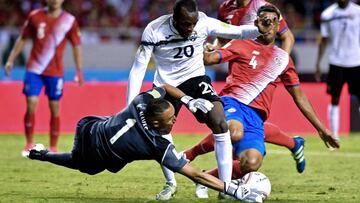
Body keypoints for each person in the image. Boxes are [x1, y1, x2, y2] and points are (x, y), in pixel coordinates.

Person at [126, 0, 272, 200]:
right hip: (166, 85)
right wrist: (130, 106)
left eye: (192, 24)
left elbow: (236, 32)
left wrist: (257, 30)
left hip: (195, 80)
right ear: (174, 19)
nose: (190, 28)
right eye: (185, 24)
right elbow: (138, 69)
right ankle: (171, 183)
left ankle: (225, 186)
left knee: (220, 121)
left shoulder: (203, 22)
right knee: (159, 131)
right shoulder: (154, 30)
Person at [191, 5, 340, 198]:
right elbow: (210, 59)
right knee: (234, 132)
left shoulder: (282, 59)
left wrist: (321, 129)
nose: (268, 25)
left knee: (252, 163)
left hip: (256, 117)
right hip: (232, 102)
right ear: (256, 23)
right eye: (264, 21)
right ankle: (225, 187)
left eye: (273, 21)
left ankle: (206, 178)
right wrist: (202, 46)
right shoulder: (240, 44)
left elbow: (299, 96)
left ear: (279, 26)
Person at [27, 85, 264, 203]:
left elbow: (164, 87)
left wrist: (187, 101)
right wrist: (234, 189)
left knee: (81, 157)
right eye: (171, 119)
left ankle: (41, 154)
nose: (175, 120)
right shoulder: (156, 146)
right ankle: (44, 154)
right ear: (155, 123)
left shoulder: (141, 101)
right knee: (86, 167)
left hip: (87, 126)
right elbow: (196, 175)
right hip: (100, 155)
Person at [206, 0, 306, 174]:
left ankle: (217, 173)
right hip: (240, 60)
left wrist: (276, 65)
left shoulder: (262, 6)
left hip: (262, 68)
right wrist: (213, 48)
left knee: (242, 124)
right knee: (237, 125)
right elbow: (222, 37)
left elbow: (287, 36)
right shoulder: (225, 8)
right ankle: (293, 143)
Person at [4, 0, 84, 156]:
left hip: (55, 72)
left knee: (54, 107)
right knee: (31, 103)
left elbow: (76, 46)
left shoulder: (69, 21)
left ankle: (53, 147)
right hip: (34, 68)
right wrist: (11, 59)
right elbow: (22, 38)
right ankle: (28, 143)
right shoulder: (35, 16)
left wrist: (79, 71)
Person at [315, 0, 360, 141]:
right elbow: (323, 40)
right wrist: (318, 63)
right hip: (336, 62)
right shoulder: (327, 14)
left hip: (356, 62)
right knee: (334, 99)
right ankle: (334, 134)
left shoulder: (358, 11)